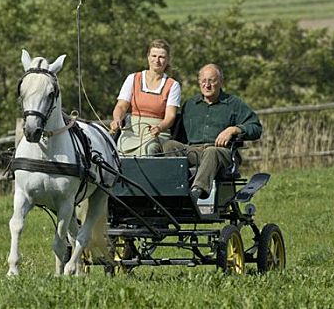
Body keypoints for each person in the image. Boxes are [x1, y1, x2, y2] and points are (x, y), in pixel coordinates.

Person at [163, 63, 262, 205]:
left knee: (211, 151)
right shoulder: (190, 105)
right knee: (169, 145)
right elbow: (178, 134)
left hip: (222, 152)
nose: (207, 85)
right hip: (195, 151)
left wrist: (234, 129)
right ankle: (175, 191)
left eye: (211, 81)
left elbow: (256, 128)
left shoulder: (233, 103)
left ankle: (196, 193)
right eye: (203, 81)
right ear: (199, 82)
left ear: (220, 82)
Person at [110, 39, 181, 156]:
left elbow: (170, 116)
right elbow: (121, 106)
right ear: (148, 57)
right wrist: (117, 119)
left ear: (167, 60)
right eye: (154, 56)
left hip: (156, 132)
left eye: (161, 57)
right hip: (132, 130)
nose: (157, 60)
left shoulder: (172, 85)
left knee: (150, 148)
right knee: (119, 147)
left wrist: (159, 127)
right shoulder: (133, 78)